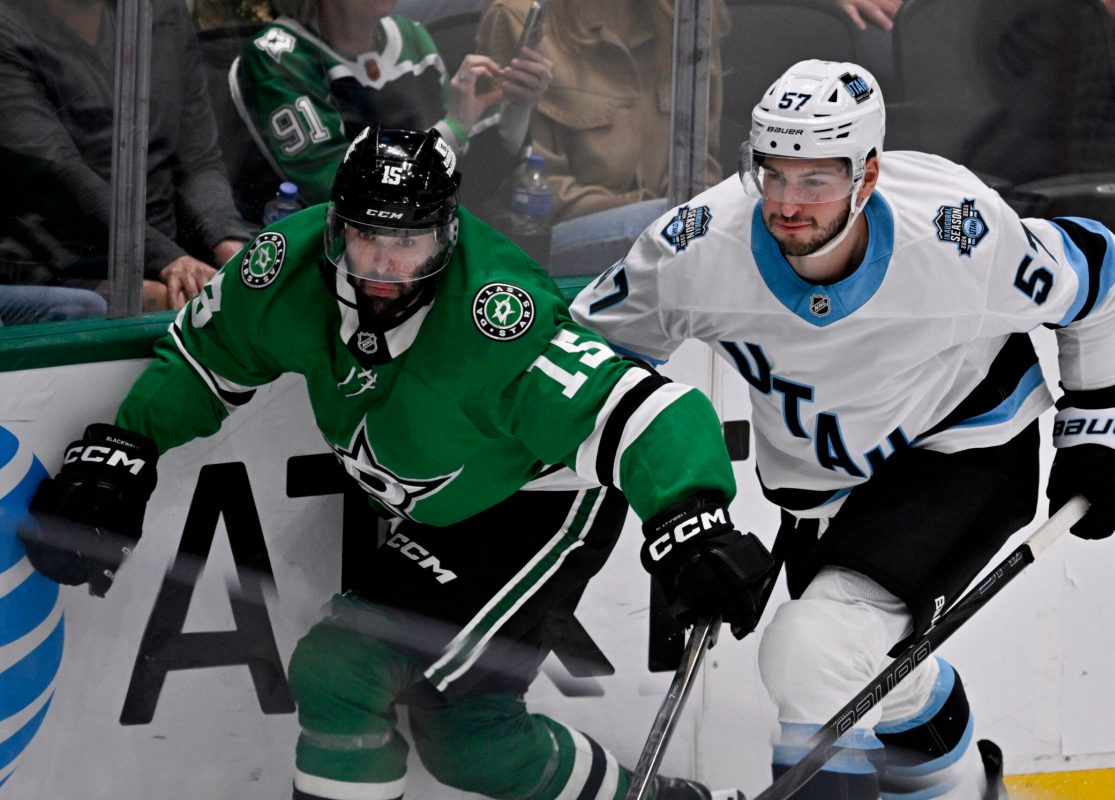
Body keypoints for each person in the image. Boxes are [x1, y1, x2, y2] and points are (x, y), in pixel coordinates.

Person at [17, 125, 775, 800]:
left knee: (339, 672)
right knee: (469, 741)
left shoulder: (494, 317)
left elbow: (650, 410)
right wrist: (126, 449)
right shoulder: (286, 264)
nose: (384, 264)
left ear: (446, 235)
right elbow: (206, 358)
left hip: (531, 502)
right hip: (439, 506)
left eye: (409, 241)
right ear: (334, 226)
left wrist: (694, 522)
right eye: (366, 237)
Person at [570, 60, 1115, 798]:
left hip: (964, 445)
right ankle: (968, 790)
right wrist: (674, 509)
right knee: (855, 664)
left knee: (811, 652)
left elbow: (1096, 270)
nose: (787, 203)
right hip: (820, 489)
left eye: (815, 179)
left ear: (867, 174)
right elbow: (585, 362)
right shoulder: (696, 251)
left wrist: (1104, 420)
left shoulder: (956, 233)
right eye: (772, 174)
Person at [0, 0, 251, 313]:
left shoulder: (159, 13)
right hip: (63, 273)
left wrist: (233, 245)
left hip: (167, 258)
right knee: (202, 309)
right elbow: (60, 172)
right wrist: (169, 259)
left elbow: (198, 161)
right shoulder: (8, 25)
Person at [475, 0, 730, 275]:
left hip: (671, 230)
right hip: (554, 238)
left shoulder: (689, 14)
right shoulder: (518, 16)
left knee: (748, 217)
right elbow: (527, 186)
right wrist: (658, 214)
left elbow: (702, 168)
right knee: (682, 224)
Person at [232, 0, 552, 219]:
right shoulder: (278, 54)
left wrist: (517, 106)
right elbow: (345, 193)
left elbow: (462, 184)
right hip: (331, 272)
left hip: (428, 251)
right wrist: (454, 127)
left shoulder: (412, 36)